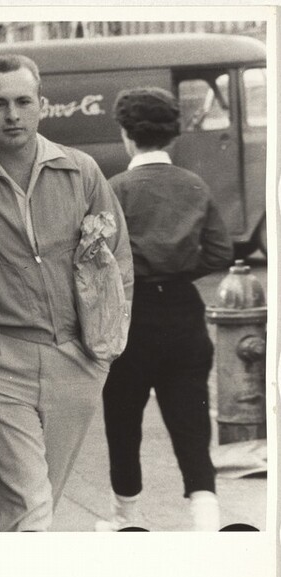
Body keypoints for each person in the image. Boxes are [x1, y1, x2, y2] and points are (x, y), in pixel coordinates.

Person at [0, 54, 133, 532]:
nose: (13, 115)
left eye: (24, 102)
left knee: (34, 507)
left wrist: (100, 353)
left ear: (41, 105)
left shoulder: (80, 171)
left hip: (75, 360)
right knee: (30, 505)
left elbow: (117, 262)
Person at [96, 87, 233, 532]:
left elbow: (97, 259)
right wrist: (180, 269)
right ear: (172, 135)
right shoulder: (194, 185)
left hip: (131, 319)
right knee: (191, 420)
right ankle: (206, 515)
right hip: (183, 316)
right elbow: (220, 252)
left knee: (123, 421)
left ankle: (127, 518)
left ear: (126, 134)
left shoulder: (115, 189)